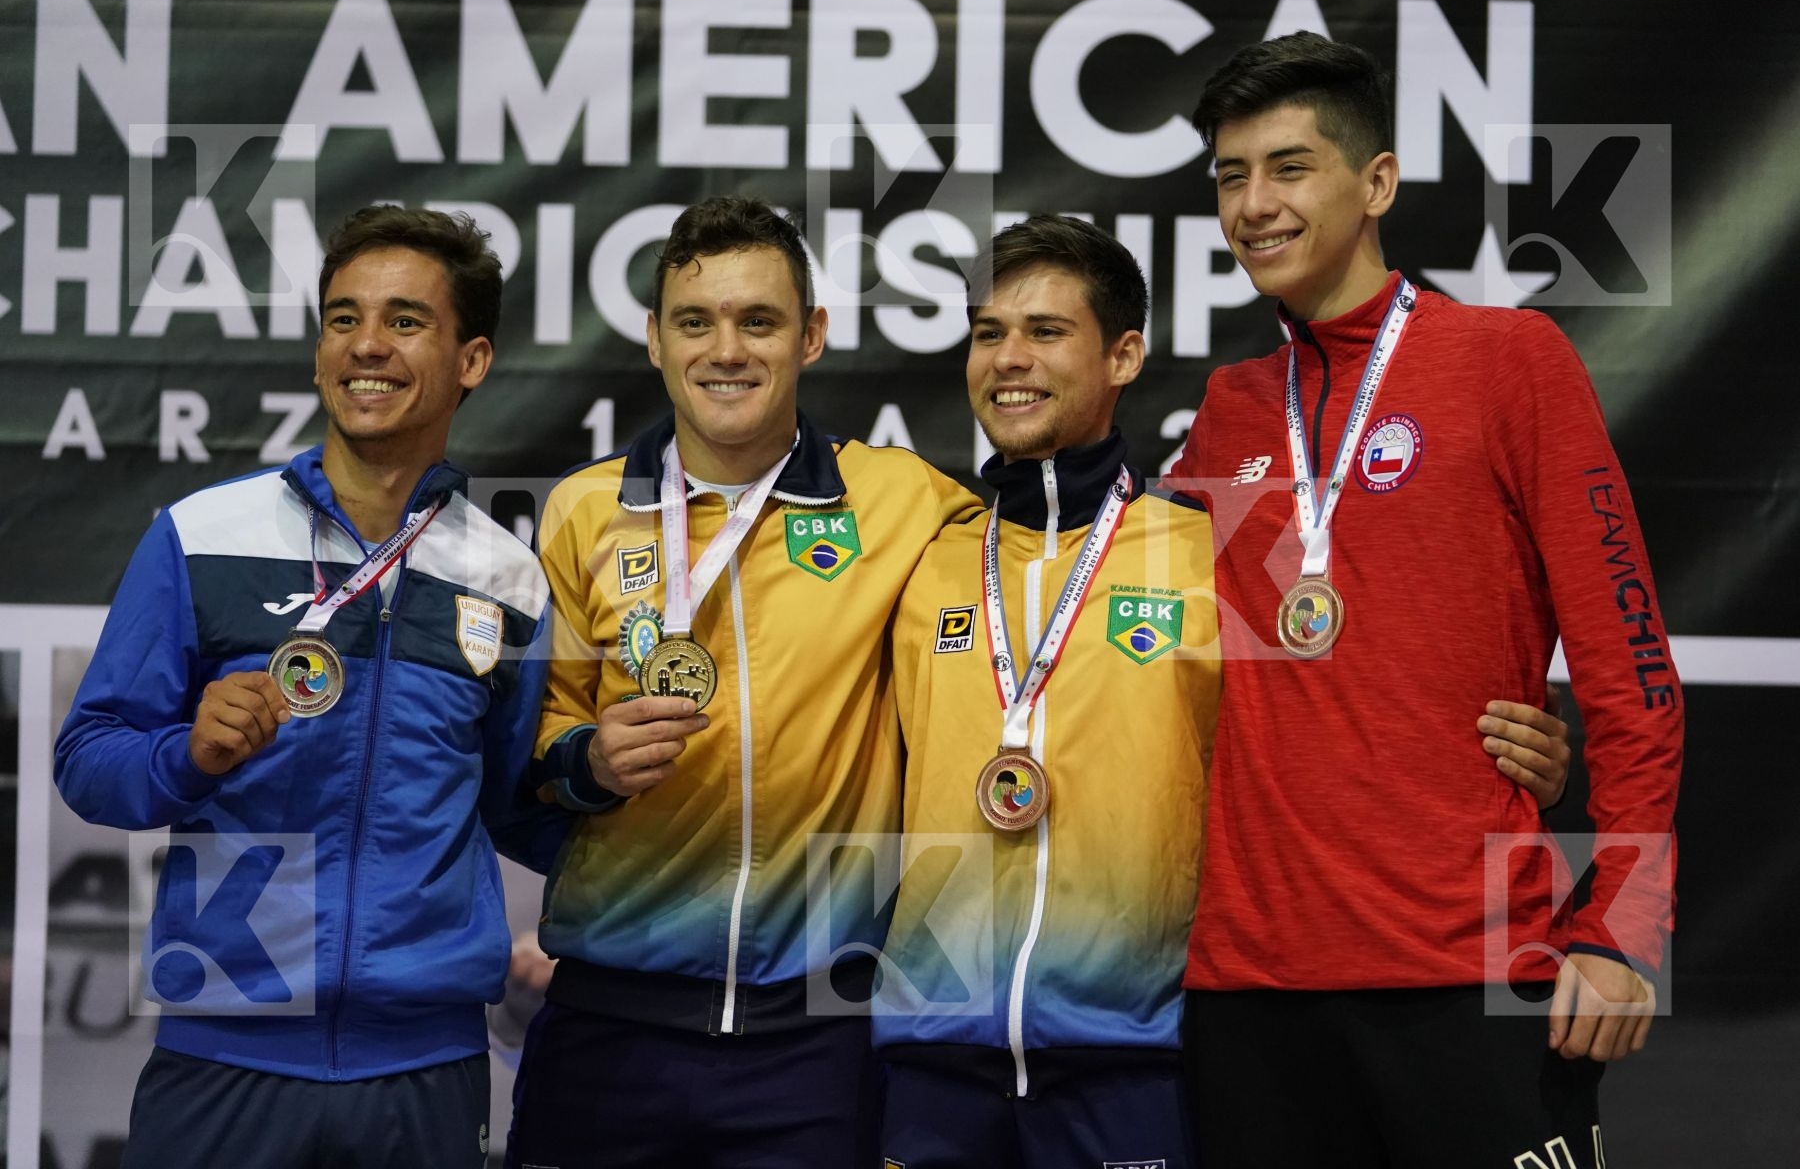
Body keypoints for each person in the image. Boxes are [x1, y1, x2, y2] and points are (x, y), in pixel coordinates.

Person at [874, 215, 1576, 1168]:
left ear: (1125, 355)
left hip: (1134, 1053)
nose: (1009, 359)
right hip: (929, 1058)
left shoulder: (1210, 547)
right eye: (989, 332)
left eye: (1045, 332)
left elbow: (1365, 685)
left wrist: (1509, 750)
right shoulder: (919, 552)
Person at [1166, 32, 1681, 1166]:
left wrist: (1626, 928)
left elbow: (1632, 665)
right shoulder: (1233, 408)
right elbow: (1175, 670)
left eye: (1289, 167)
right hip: (1247, 983)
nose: (1253, 204)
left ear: (1377, 183)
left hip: (1472, 964)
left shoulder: (1511, 360)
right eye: (1230, 175)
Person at [54, 206, 556, 1168]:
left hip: (425, 1065)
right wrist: (185, 755)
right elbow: (89, 760)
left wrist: (604, 777)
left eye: (406, 321)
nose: (366, 344)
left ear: (473, 360)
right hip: (223, 1055)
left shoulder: (508, 577)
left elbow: (514, 804)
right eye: (342, 317)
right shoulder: (202, 534)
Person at [506, 196, 981, 1166]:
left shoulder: (903, 501)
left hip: (819, 1030)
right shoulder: (580, 512)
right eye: (696, 321)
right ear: (653, 339)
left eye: (758, 321)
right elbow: (529, 745)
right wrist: (587, 759)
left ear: (811, 335)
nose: (726, 350)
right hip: (610, 1016)